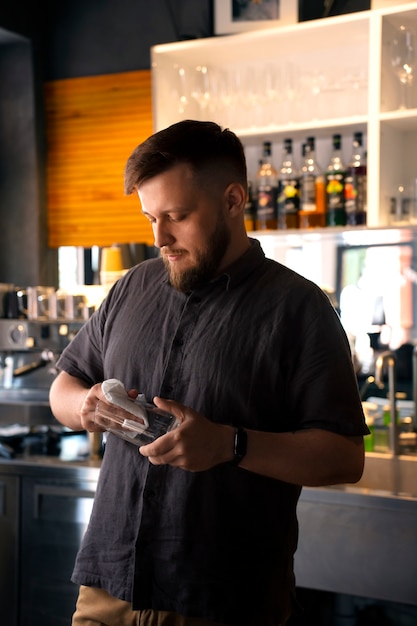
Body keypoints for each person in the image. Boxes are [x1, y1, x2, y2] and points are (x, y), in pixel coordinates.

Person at [49, 119, 369, 626]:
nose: (159, 237)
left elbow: (344, 458)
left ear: (233, 200)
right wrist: (84, 407)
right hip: (107, 592)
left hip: (224, 602)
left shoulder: (299, 307)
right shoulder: (131, 288)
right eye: (150, 217)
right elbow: (64, 387)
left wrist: (230, 445)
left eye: (176, 215)